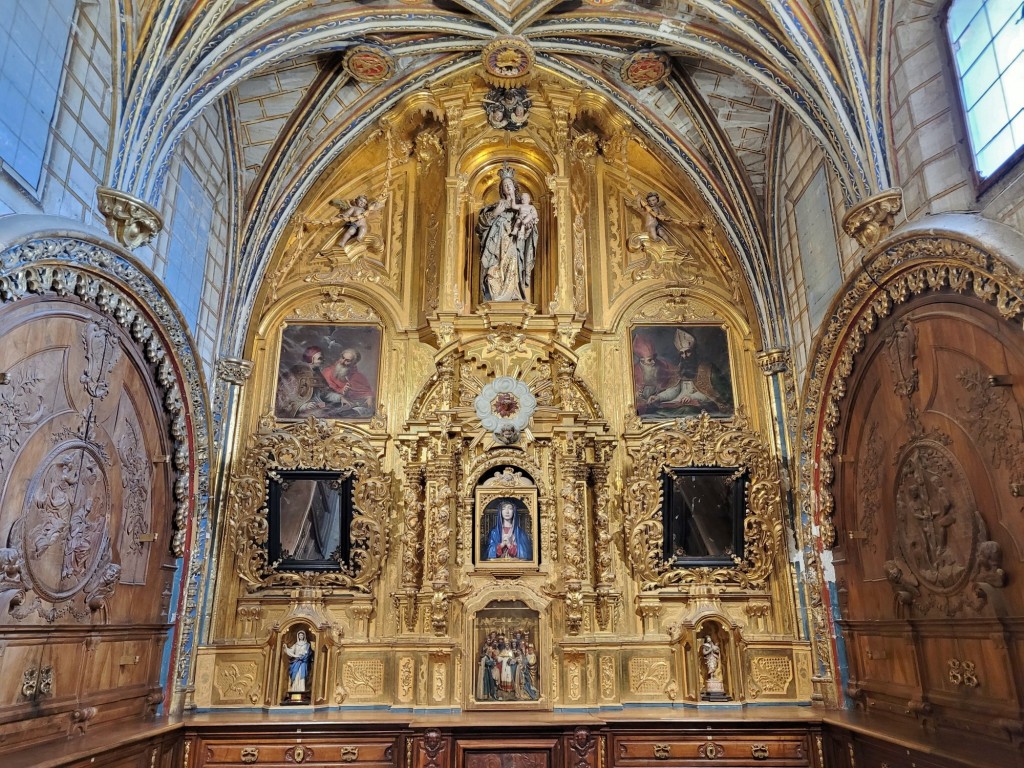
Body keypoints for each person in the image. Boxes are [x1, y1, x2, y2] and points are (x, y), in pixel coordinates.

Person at [477, 163, 537, 302]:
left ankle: (512, 294)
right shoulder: (496, 206)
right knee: (494, 269)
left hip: (514, 245)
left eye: (510, 184)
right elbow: (480, 228)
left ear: (514, 187)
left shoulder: (523, 207)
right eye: (505, 185)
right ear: (502, 190)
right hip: (497, 246)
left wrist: (527, 226)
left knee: (513, 267)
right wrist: (495, 213)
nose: (508, 186)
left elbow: (530, 232)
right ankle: (497, 294)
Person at [646, 330, 732, 416]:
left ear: (694, 351)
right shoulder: (680, 369)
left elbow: (712, 393)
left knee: (687, 410)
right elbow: (674, 391)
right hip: (679, 404)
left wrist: (692, 397)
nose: (685, 356)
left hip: (703, 404)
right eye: (682, 353)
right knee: (657, 412)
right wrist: (658, 397)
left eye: (688, 352)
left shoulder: (708, 369)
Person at [319, 348, 375, 417]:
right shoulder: (327, 372)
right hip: (329, 404)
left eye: (347, 361)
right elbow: (322, 392)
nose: (342, 362)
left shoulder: (357, 377)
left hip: (348, 407)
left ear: (353, 363)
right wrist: (341, 392)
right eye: (342, 358)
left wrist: (369, 397)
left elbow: (366, 392)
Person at [632, 334, 674, 412]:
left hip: (661, 401)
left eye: (654, 357)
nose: (654, 362)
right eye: (649, 360)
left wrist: (659, 397)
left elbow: (675, 380)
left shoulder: (664, 365)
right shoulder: (634, 370)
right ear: (642, 360)